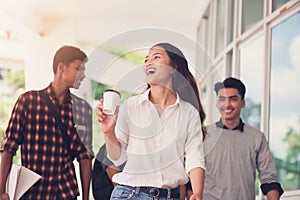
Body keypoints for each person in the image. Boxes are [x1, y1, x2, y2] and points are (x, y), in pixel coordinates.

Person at [97, 43, 206, 200]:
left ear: (173, 67)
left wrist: (197, 193)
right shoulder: (131, 106)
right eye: (146, 59)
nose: (149, 62)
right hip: (129, 195)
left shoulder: (189, 113)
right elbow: (118, 158)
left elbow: (195, 158)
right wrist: (108, 131)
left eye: (156, 57)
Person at [0, 45, 94, 200]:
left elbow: (85, 156)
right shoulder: (28, 101)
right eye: (79, 69)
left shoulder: (83, 109)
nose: (83, 75)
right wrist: (1, 189)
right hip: (32, 192)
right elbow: (9, 147)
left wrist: (85, 198)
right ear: (61, 67)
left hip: (66, 192)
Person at [198, 77, 284, 199]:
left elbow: (269, 180)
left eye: (233, 99)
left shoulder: (256, 138)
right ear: (217, 103)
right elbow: (192, 179)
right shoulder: (204, 135)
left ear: (243, 103)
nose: (227, 104)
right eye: (222, 99)